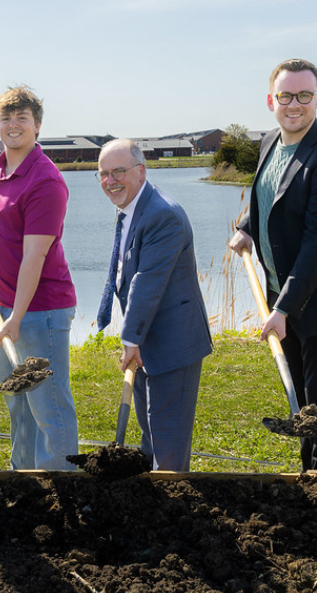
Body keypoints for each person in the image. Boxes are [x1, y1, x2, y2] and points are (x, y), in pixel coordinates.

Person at [229, 58, 317, 474]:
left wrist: (284, 309)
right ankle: (306, 477)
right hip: (282, 293)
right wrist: (246, 227)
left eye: (304, 96)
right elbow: (269, 195)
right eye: (286, 95)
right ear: (271, 100)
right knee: (301, 397)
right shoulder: (270, 141)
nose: (295, 104)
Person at [0, 86, 79, 470]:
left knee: (49, 406)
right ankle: (27, 480)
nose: (13, 125)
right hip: (2, 306)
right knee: (18, 401)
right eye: (5, 118)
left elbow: (35, 254)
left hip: (39, 310)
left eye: (22, 118)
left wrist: (17, 316)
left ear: (37, 126)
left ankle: (63, 486)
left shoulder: (45, 180)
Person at [96, 139, 212, 472]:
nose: (110, 181)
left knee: (169, 445)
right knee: (152, 434)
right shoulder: (133, 209)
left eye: (119, 171)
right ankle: (157, 504)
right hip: (149, 341)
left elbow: (146, 282)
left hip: (173, 344)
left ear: (141, 171)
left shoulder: (163, 215)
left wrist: (130, 339)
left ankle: (175, 507)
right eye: (103, 174)